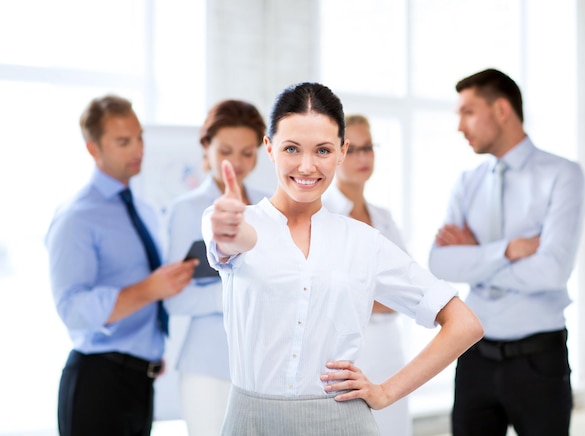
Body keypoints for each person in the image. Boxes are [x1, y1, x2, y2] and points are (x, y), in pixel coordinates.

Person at [202, 82, 484, 435]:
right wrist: (229, 227)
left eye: (322, 150)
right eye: (292, 148)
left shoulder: (364, 242)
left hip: (342, 422)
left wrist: (385, 392)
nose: (306, 166)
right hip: (251, 422)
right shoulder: (233, 221)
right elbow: (238, 240)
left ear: (341, 151)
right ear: (270, 148)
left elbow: (465, 325)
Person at [428, 68, 585, 436]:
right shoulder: (468, 182)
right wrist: (508, 251)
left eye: (467, 112)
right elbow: (440, 262)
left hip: (538, 362)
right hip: (474, 357)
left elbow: (552, 271)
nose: (459, 126)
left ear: (501, 109)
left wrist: (477, 257)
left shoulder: (563, 175)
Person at [46, 94, 197, 436]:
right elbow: (71, 308)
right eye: (123, 141)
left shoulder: (144, 210)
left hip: (140, 381)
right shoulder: (76, 217)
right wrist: (148, 290)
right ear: (93, 149)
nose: (138, 149)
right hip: (97, 381)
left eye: (140, 137)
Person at [164, 99, 269, 436]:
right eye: (226, 150)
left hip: (266, 366)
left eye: (247, 152)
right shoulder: (187, 210)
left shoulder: (269, 208)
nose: (236, 163)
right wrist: (242, 291)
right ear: (206, 146)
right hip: (208, 368)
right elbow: (175, 299)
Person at [322, 114, 411, 436]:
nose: (362, 157)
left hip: (390, 351)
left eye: (368, 148)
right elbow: (323, 293)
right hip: (345, 353)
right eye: (352, 148)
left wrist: (366, 294)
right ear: (335, 153)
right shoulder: (323, 215)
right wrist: (378, 294)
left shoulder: (383, 218)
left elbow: (408, 291)